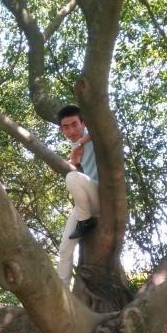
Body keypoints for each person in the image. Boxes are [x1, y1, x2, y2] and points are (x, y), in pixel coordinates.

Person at [57, 105, 99, 285]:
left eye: (74, 124)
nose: (71, 131)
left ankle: (86, 221)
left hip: (102, 196)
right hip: (87, 202)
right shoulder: (75, 144)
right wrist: (73, 159)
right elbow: (75, 163)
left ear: (83, 123)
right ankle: (62, 294)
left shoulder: (93, 134)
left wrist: (81, 144)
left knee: (72, 178)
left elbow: (101, 130)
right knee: (65, 248)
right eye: (66, 127)